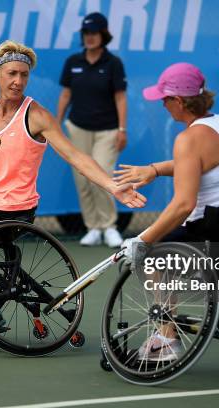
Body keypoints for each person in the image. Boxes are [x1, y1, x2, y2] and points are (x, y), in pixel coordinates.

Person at [0, 40, 146, 345]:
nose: (18, 81)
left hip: (12, 211)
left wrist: (112, 186)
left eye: (24, 75)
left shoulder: (37, 116)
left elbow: (76, 156)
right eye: (12, 74)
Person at [115, 63, 219, 361]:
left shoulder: (187, 139)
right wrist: (156, 170)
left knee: (153, 253)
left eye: (165, 98)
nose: (162, 104)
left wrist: (142, 240)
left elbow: (183, 204)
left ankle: (167, 338)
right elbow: (206, 162)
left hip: (215, 235)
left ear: (180, 102)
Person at [56, 12, 128, 248]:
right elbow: (66, 94)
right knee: (83, 179)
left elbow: (120, 98)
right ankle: (93, 227)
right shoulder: (72, 62)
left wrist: (122, 129)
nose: (90, 37)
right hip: (77, 128)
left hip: (107, 131)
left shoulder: (113, 63)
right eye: (86, 33)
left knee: (102, 177)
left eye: (94, 33)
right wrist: (56, 124)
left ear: (103, 35)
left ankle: (109, 227)